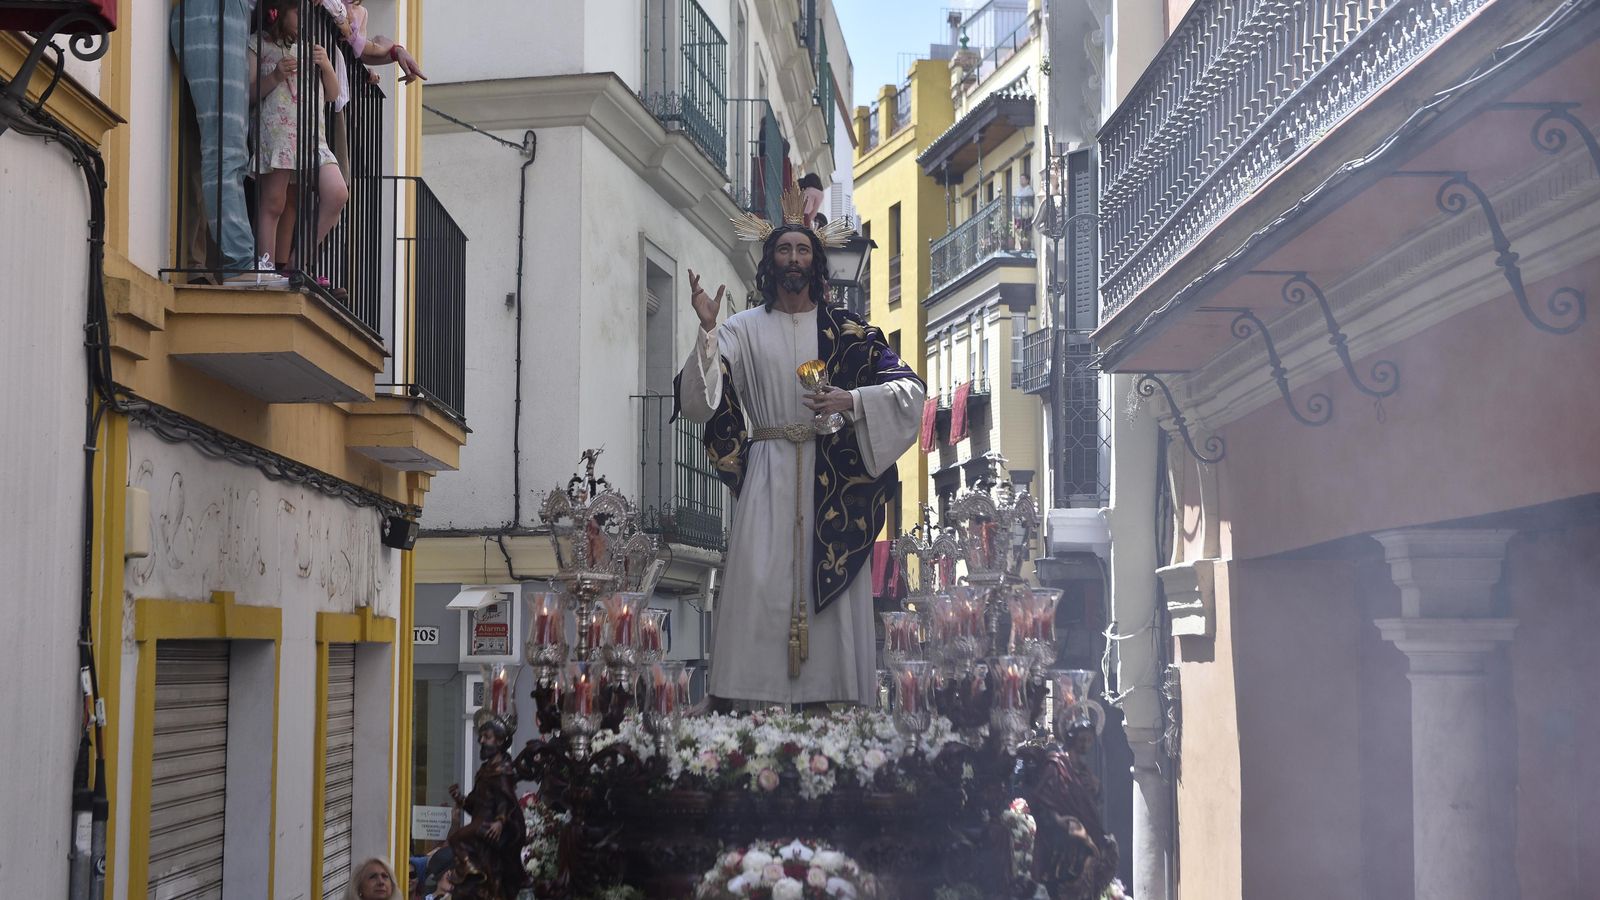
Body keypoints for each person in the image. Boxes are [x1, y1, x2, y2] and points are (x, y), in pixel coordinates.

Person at [676, 212, 925, 707]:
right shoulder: (741, 329)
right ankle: (749, 704)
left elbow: (910, 391)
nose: (794, 259)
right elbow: (699, 401)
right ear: (770, 262)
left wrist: (850, 402)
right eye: (785, 250)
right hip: (767, 477)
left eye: (803, 250)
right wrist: (707, 332)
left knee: (827, 605)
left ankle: (832, 706)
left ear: (817, 262)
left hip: (831, 481)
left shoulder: (848, 330)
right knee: (757, 587)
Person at [171, 0, 287, 286]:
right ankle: (239, 264)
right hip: (215, 17)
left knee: (231, 153)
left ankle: (240, 262)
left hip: (222, 19)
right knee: (225, 150)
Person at [249, 0, 349, 281]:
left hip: (312, 138)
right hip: (278, 133)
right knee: (274, 202)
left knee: (337, 193)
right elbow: (251, 93)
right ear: (279, 11)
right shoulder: (259, 44)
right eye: (297, 10)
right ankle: (265, 268)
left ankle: (295, 264)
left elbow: (332, 95)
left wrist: (327, 65)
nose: (304, 16)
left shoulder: (312, 50)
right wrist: (276, 75)